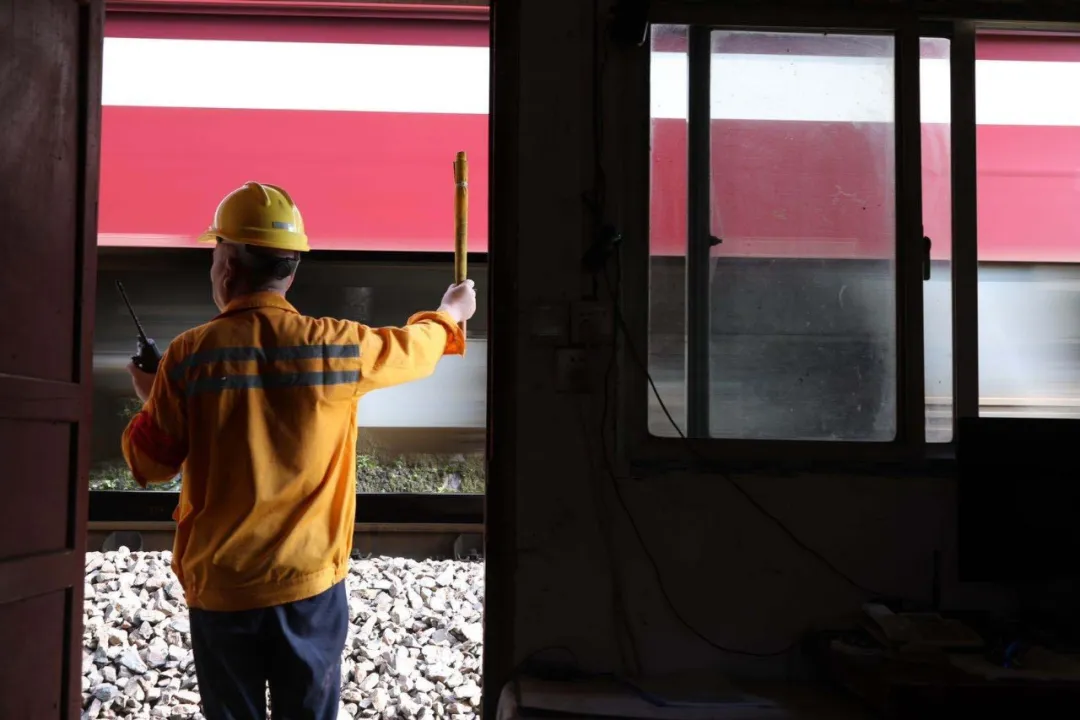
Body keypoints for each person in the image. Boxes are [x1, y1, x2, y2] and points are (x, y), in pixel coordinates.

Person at [120, 181, 476, 720]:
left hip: (223, 588)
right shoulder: (338, 345)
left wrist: (152, 400)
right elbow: (418, 349)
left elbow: (151, 463)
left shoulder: (189, 357)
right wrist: (449, 314)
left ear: (228, 266)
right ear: (291, 270)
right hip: (308, 586)